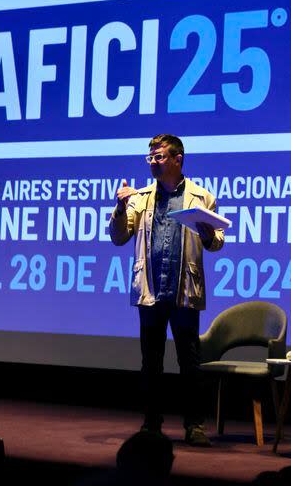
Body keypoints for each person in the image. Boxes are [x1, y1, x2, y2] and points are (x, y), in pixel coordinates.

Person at [110, 134, 224, 446]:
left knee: (190, 361)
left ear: (178, 159)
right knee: (151, 362)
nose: (153, 163)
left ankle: (194, 425)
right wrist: (120, 209)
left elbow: (217, 242)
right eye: (150, 158)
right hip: (151, 288)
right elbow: (118, 237)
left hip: (183, 289)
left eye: (159, 157)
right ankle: (151, 424)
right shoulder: (141, 197)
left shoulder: (201, 197)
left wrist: (206, 236)